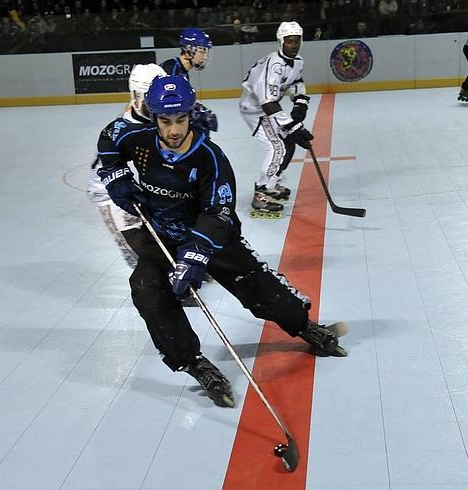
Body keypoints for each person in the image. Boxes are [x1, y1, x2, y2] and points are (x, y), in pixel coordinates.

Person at [96, 75, 347, 409]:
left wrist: (195, 255)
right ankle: (191, 361)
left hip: (212, 238)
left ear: (190, 115)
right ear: (153, 117)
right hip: (165, 235)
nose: (173, 130)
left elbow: (219, 210)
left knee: (256, 286)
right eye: (165, 121)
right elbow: (109, 139)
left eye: (180, 120)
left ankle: (304, 327)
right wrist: (116, 176)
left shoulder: (209, 157)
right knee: (145, 287)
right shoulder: (138, 139)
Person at [87, 63, 166, 268]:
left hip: (139, 188)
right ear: (136, 95)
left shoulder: (153, 119)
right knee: (140, 252)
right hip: (110, 193)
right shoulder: (122, 130)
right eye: (149, 98)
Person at [239, 21, 313, 218]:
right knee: (277, 147)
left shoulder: (297, 61)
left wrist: (299, 102)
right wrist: (294, 126)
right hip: (255, 109)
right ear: (281, 42)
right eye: (289, 42)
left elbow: (296, 81)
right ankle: (260, 195)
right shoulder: (274, 65)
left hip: (269, 108)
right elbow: (268, 103)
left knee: (289, 144)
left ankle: (271, 185)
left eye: (297, 41)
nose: (294, 45)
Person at [160, 27, 218, 138]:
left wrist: (196, 107)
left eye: (206, 52)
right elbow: (168, 106)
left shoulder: (179, 69)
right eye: (201, 51)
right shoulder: (172, 69)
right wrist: (196, 114)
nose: (205, 57)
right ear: (188, 49)